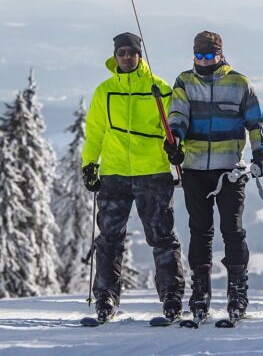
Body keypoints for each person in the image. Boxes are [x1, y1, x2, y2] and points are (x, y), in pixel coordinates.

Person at [165, 30, 263, 320]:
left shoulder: (239, 82)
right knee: (200, 232)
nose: (203, 60)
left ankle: (237, 292)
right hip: (195, 169)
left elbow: (256, 122)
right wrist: (174, 139)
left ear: (220, 54)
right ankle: (200, 293)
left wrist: (261, 153)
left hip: (229, 171)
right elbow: (178, 114)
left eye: (209, 55)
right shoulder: (185, 81)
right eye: (198, 55)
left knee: (232, 231)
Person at [81, 32, 185, 321]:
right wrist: (90, 164)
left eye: (131, 52)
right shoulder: (104, 91)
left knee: (161, 237)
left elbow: (175, 129)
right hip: (114, 174)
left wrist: (178, 150)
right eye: (121, 52)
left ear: (140, 55)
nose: (126, 57)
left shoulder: (160, 90)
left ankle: (172, 298)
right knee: (109, 239)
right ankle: (105, 298)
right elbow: (95, 132)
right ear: (115, 56)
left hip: (152, 172)